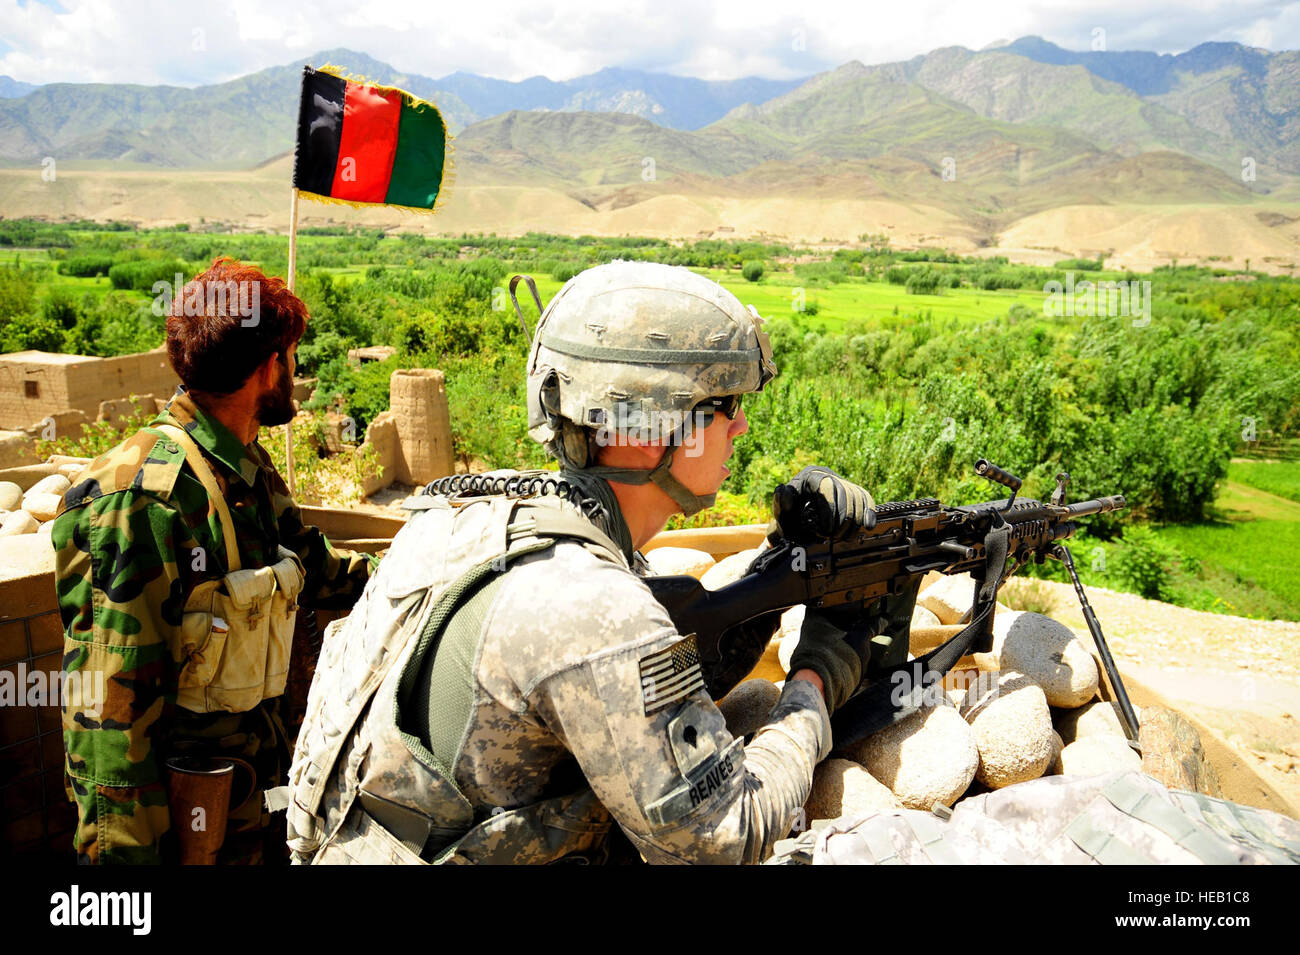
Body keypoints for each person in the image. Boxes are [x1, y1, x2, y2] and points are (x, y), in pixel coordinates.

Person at [284, 261, 876, 864]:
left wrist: (780, 573)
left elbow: (621, 695)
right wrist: (817, 678)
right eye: (727, 405)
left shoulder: (462, 515)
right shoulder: (590, 605)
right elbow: (725, 835)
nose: (742, 427)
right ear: (652, 423)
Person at [51, 257, 374, 865]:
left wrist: (431, 573)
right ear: (267, 368)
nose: (294, 372)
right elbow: (109, 715)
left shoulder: (241, 468)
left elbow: (319, 569)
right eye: (289, 356)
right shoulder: (142, 499)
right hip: (180, 830)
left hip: (246, 802)